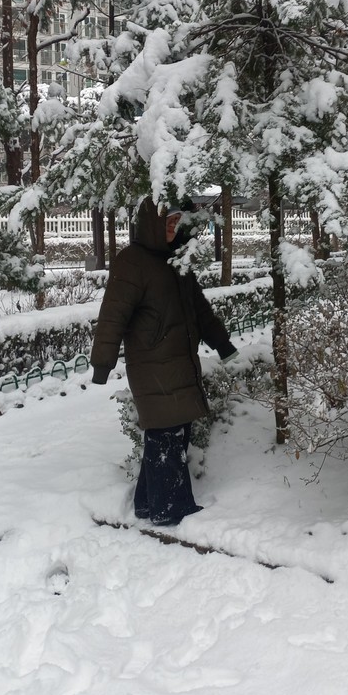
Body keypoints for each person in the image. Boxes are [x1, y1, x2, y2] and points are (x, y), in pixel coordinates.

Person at [91, 198, 238, 526]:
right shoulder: (132, 262)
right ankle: (170, 509)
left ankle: (147, 503)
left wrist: (222, 343)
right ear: (151, 225)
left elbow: (199, 308)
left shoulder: (176, 259)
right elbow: (113, 315)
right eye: (167, 222)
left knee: (172, 433)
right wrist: (102, 363)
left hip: (178, 361)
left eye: (175, 222)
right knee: (166, 434)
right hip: (151, 364)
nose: (173, 228)